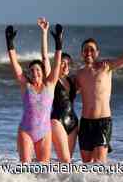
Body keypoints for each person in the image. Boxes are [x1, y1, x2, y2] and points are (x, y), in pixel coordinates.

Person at [6, 23, 63, 163]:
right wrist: (10, 44)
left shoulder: (50, 85)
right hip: (26, 131)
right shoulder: (25, 85)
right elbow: (15, 65)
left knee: (42, 169)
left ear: (43, 72)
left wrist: (58, 44)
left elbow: (56, 65)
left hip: (44, 133)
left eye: (38, 70)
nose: (34, 72)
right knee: (25, 168)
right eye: (31, 71)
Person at [76, 38, 123, 163]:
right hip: (85, 124)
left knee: (99, 162)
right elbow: (68, 91)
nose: (88, 52)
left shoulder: (106, 66)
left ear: (98, 52)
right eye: (85, 50)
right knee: (86, 164)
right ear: (81, 53)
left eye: (92, 50)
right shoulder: (79, 74)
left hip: (103, 123)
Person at [37, 18, 78, 163]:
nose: (65, 66)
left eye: (68, 64)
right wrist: (44, 32)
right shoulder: (52, 80)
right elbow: (44, 58)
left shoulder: (72, 81)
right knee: (66, 160)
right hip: (57, 121)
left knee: (66, 162)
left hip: (73, 122)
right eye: (62, 63)